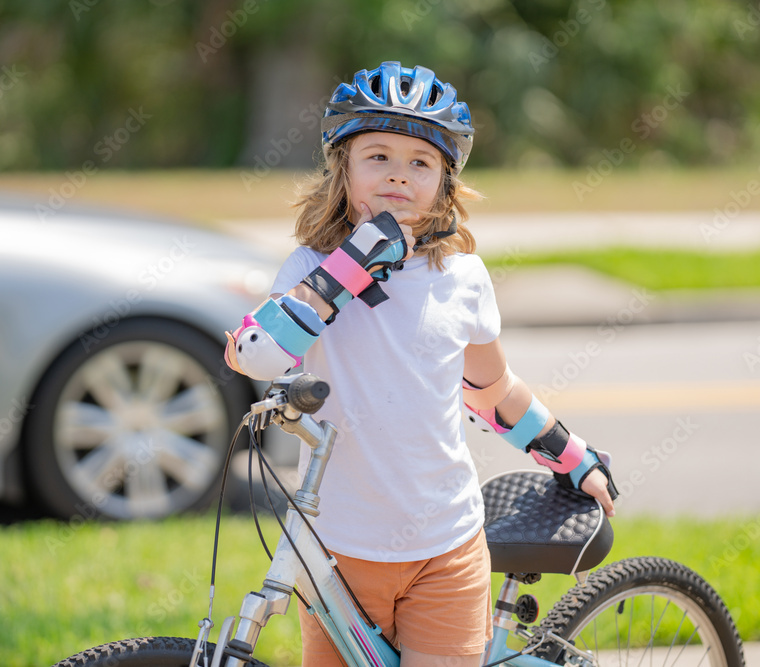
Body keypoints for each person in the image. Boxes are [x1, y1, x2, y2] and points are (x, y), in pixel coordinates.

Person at [225, 61, 617, 667]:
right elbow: (260, 355)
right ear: (343, 168)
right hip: (334, 550)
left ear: (444, 180)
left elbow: (490, 390)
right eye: (377, 156)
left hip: (443, 549)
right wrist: (349, 268)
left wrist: (570, 453)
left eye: (420, 162)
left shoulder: (460, 277)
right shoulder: (309, 269)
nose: (398, 177)